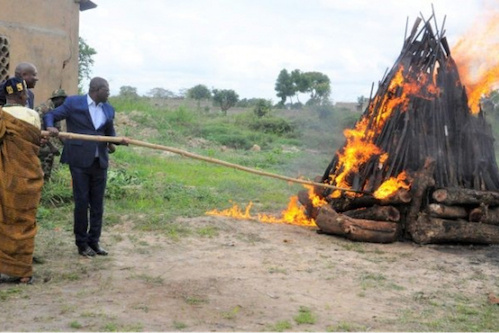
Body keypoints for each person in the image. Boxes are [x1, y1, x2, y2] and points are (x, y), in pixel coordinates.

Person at [44, 77, 127, 257]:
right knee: (82, 203)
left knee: (98, 204)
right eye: (107, 89)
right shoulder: (74, 103)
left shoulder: (108, 109)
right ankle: (81, 243)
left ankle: (94, 241)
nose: (109, 92)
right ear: (96, 89)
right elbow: (50, 115)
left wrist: (119, 142)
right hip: (79, 161)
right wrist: (50, 127)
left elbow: (109, 135)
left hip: (100, 162)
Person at [0, 77, 44, 284]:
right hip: (27, 177)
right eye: (25, 93)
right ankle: (24, 272)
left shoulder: (1, 116)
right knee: (24, 222)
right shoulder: (32, 115)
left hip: (5, 177)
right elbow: (35, 142)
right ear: (21, 95)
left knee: (4, 220)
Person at [35, 89, 68, 181]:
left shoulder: (56, 110)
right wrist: (51, 146)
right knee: (45, 157)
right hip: (38, 142)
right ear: (58, 99)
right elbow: (38, 130)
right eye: (64, 100)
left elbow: (58, 131)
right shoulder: (42, 109)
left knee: (49, 158)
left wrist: (68, 144)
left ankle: (45, 183)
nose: (65, 102)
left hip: (45, 142)